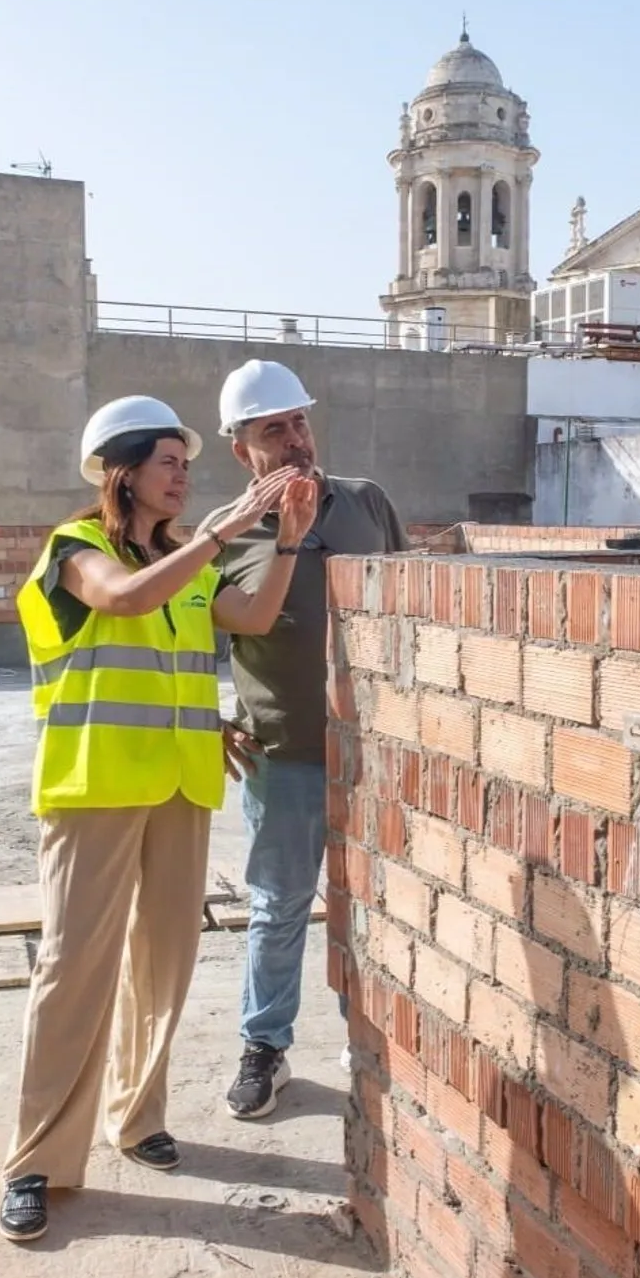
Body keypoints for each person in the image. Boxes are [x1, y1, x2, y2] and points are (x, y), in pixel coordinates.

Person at [0, 395, 318, 1243]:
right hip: (95, 787)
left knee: (163, 963)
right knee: (75, 971)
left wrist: (283, 536)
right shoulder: (79, 550)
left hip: (179, 787)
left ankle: (135, 1119)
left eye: (186, 463)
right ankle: (36, 1161)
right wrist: (229, 526)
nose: (184, 476)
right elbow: (129, 604)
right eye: (169, 462)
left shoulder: (181, 556)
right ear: (123, 471)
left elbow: (246, 616)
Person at [204, 360, 409, 1121]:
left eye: (299, 423)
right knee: (279, 904)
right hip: (283, 752)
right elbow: (189, 637)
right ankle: (264, 1049)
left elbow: (412, 606)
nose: (294, 441)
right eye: (272, 430)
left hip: (378, 752)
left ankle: (399, 1042)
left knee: (390, 901)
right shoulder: (225, 537)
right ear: (241, 450)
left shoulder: (365, 504)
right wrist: (206, 720)